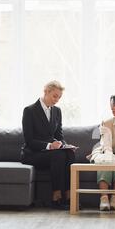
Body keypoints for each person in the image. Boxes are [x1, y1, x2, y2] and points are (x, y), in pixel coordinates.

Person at [21, 81, 77, 210]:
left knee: (69, 153)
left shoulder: (57, 111)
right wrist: (49, 146)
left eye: (59, 97)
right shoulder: (29, 111)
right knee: (58, 156)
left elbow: (59, 135)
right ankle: (56, 197)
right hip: (33, 153)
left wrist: (65, 145)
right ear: (46, 92)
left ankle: (69, 196)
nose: (57, 100)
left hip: (50, 152)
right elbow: (29, 140)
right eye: (54, 96)